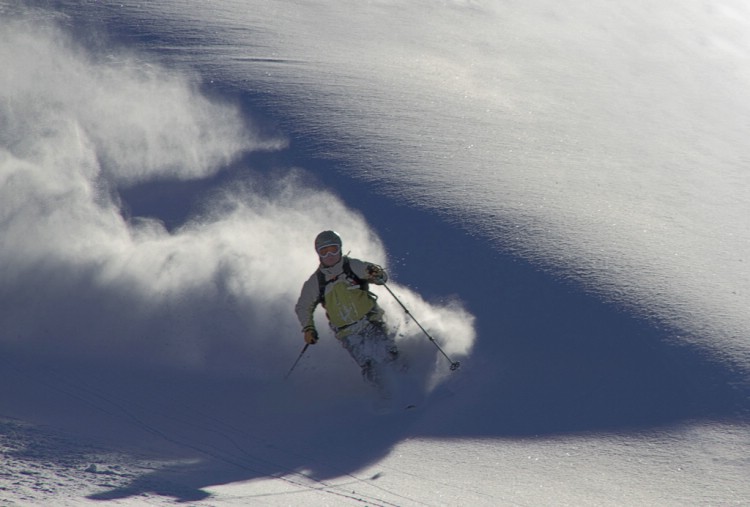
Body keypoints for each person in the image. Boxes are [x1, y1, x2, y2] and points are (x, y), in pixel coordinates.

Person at [295, 230, 400, 394]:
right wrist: (308, 328)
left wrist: (376, 273)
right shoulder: (316, 281)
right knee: (368, 364)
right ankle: (384, 394)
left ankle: (406, 382)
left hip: (369, 320)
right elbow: (303, 306)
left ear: (340, 249)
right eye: (324, 251)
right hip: (346, 332)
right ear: (318, 254)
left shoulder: (351, 266)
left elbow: (377, 276)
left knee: (387, 353)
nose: (330, 255)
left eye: (333, 249)